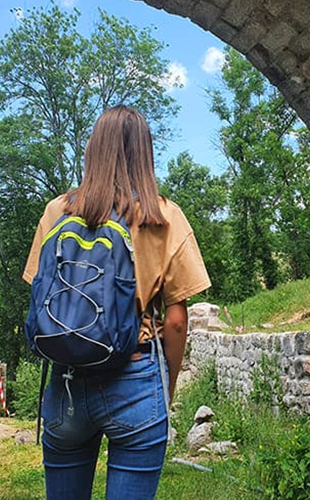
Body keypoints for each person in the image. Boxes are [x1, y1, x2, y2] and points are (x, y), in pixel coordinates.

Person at [23, 104, 211, 500]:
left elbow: (40, 294)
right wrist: (168, 385)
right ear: (145, 152)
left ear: (94, 149)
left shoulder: (58, 211)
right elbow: (176, 320)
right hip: (137, 372)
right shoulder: (164, 216)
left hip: (67, 380)